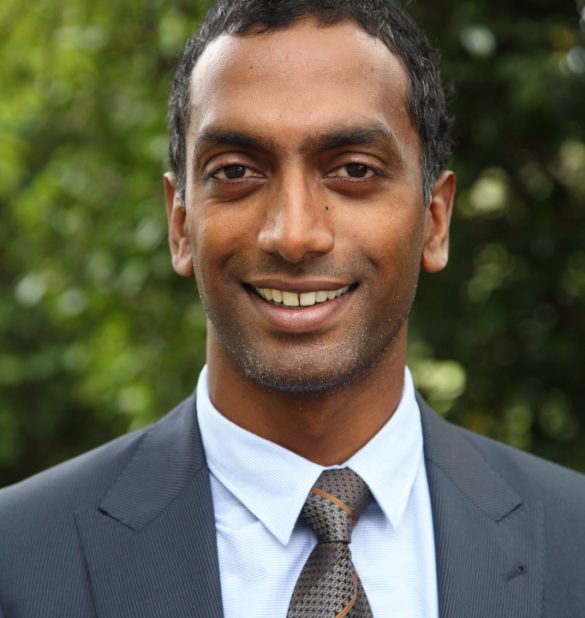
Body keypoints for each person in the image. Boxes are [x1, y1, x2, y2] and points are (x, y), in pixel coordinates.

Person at [1, 0, 584, 616]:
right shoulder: (18, 560)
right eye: (236, 171)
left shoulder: (572, 542)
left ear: (435, 221)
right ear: (180, 225)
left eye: (354, 169)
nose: (294, 234)